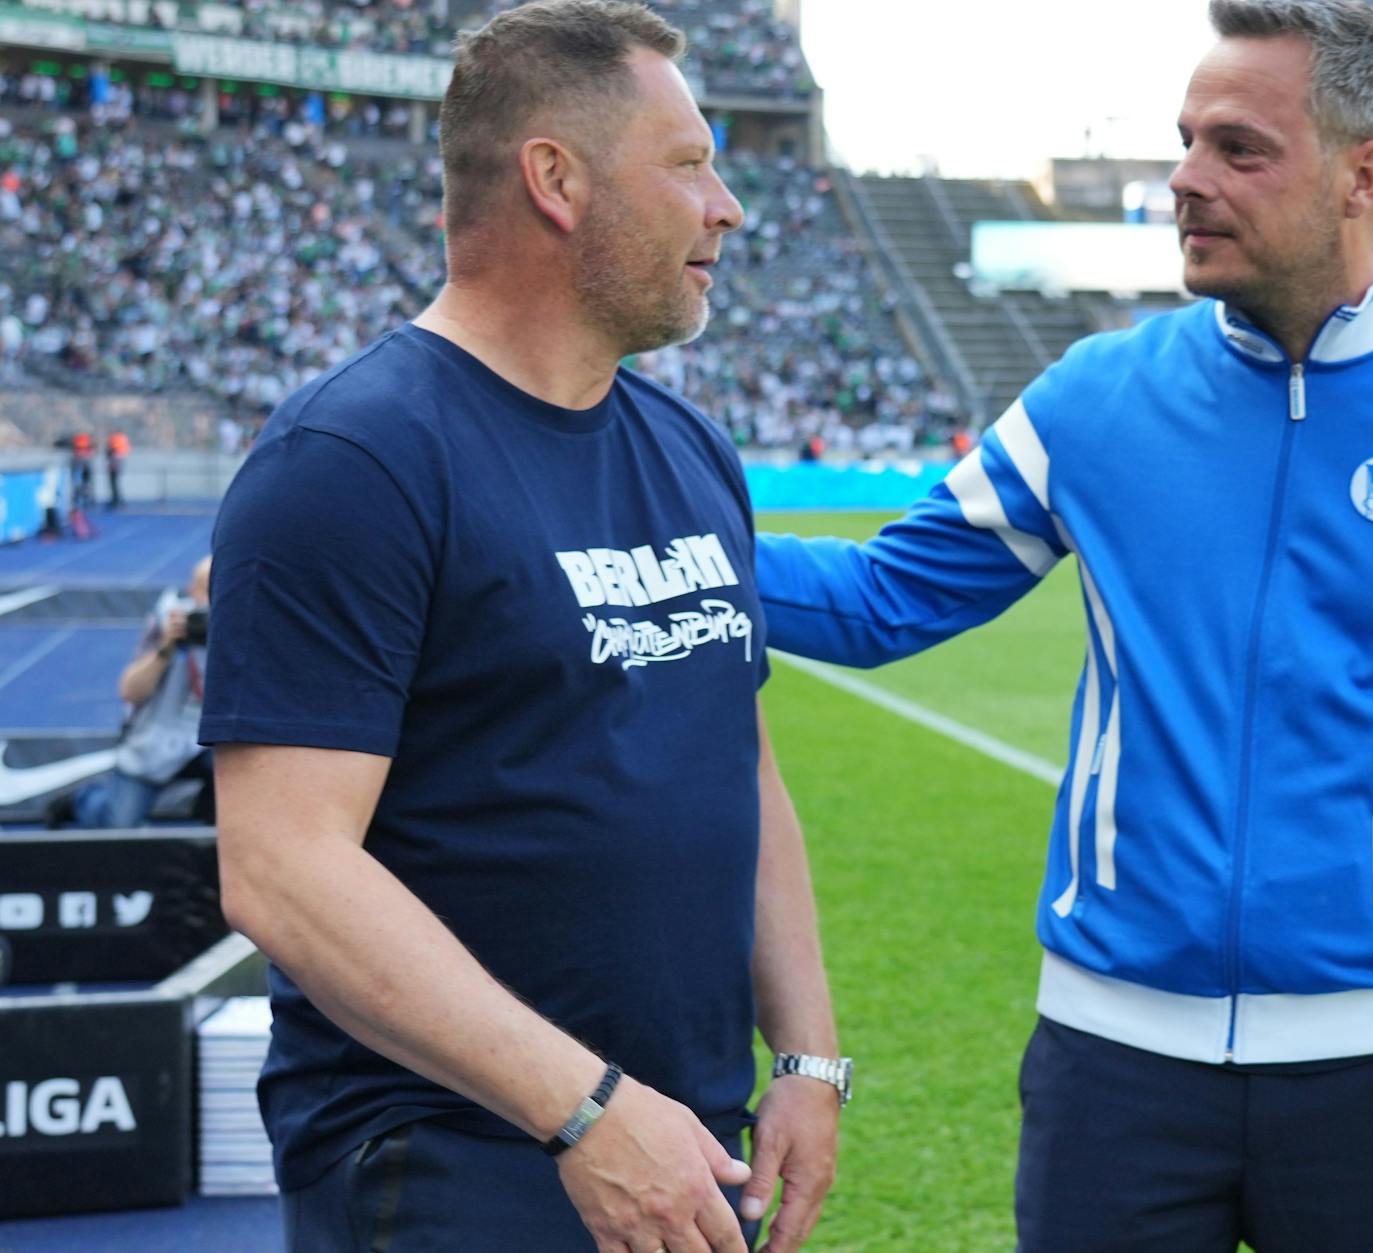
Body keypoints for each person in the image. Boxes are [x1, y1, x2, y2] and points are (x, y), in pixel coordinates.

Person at [755, 2, 1373, 1250]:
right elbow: (879, 598)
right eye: (1186, 141)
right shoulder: (1095, 398)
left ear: (1363, 178)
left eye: (1238, 149)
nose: (1184, 178)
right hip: (1110, 1061)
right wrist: (661, 554)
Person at [202, 4, 842, 1251]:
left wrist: (809, 1056)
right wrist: (584, 1111)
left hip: (680, 1144)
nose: (728, 206)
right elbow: (282, 865)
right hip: (457, 1158)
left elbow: (739, 763)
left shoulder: (689, 445)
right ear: (556, 178)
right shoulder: (352, 458)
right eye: (687, 162)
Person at [59, 555, 214, 828]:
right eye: (204, 587)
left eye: (217, 589)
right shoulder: (168, 621)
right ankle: (83, 801)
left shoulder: (243, 627)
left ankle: (210, 806)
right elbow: (130, 691)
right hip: (156, 741)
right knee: (118, 823)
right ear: (190, 590)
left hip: (211, 743)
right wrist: (166, 648)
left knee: (249, 779)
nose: (208, 599)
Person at [106, 430, 130, 509]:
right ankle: (117, 499)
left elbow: (112, 449)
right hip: (119, 459)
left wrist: (110, 453)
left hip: (116, 459)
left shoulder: (115, 439)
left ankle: (116, 499)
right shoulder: (123, 438)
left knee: (114, 481)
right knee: (115, 481)